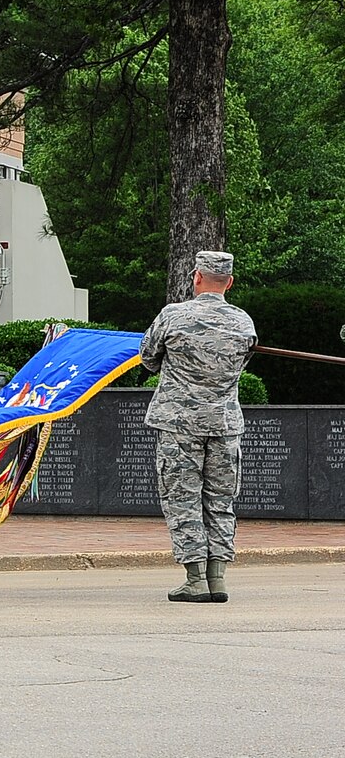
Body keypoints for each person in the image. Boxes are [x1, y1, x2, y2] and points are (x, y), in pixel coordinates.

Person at [141, 250, 256, 603]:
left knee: (183, 500)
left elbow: (148, 359)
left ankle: (194, 579)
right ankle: (217, 578)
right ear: (230, 282)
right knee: (220, 502)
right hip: (224, 425)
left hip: (180, 426)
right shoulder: (244, 323)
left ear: (197, 277)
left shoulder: (174, 316)